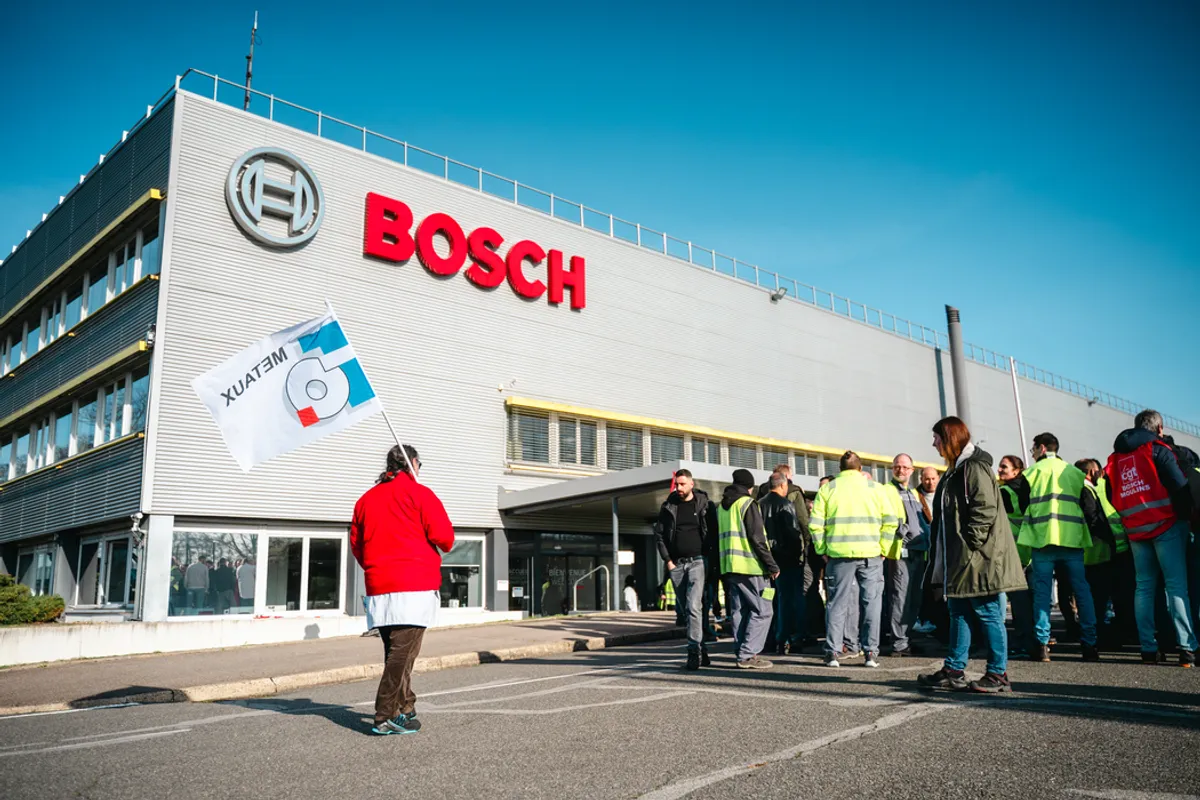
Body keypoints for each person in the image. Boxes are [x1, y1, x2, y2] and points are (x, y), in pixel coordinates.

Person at [350, 444, 455, 735]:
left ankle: (406, 707)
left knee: (397, 651)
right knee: (402, 655)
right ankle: (385, 714)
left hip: (379, 586)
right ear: (414, 464)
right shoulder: (421, 494)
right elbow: (445, 538)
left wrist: (375, 566)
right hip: (414, 585)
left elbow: (357, 546)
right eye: (421, 465)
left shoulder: (365, 500)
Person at [919, 417, 1027, 693]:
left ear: (949, 437)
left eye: (937, 438)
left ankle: (997, 674)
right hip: (962, 558)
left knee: (989, 613)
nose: (934, 443)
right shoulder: (957, 470)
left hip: (978, 557)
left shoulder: (973, 468)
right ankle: (954, 669)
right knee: (959, 612)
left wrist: (970, 543)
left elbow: (985, 509)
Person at [1105, 410, 1197, 667]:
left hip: (1135, 529)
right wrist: (1184, 516)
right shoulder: (1157, 449)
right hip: (1166, 524)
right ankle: (1187, 647)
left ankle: (1148, 647)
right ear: (1159, 428)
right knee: (1176, 586)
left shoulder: (1116, 457)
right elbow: (1180, 486)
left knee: (1143, 587)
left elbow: (1111, 493)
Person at [1017, 432, 1104, 663]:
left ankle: (1043, 645)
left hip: (1042, 540)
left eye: (1033, 449)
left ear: (1043, 449)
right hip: (1072, 541)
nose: (1033, 453)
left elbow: (1024, 504)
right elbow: (1088, 506)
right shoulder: (1075, 474)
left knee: (1042, 594)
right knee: (1082, 592)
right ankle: (1090, 645)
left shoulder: (1031, 473)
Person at [811, 451, 896, 668]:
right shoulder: (876, 489)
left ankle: (832, 652)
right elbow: (890, 522)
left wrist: (822, 549)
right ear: (860, 469)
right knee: (871, 604)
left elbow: (816, 524)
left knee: (836, 605)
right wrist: (884, 548)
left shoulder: (828, 489)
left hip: (838, 555)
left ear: (840, 470)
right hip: (871, 554)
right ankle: (870, 653)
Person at [718, 469, 780, 669]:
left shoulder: (722, 507)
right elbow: (757, 538)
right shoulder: (747, 503)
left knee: (739, 611)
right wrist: (771, 564)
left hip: (730, 565)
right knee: (763, 610)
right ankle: (748, 654)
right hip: (751, 565)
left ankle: (741, 651)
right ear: (750, 487)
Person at [654, 469, 716, 670]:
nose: (679, 488)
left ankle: (693, 651)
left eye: (682, 484)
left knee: (693, 606)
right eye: (677, 484)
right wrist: (668, 561)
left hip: (698, 562)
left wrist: (710, 560)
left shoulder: (705, 504)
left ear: (691, 484)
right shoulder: (668, 506)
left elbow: (713, 534)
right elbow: (660, 535)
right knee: (686, 610)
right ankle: (702, 648)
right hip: (677, 565)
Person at [882, 454, 928, 656]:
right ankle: (899, 643)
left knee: (913, 598)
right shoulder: (887, 491)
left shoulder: (913, 493)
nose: (900, 470)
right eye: (897, 467)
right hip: (901, 551)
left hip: (918, 550)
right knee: (900, 597)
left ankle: (905, 638)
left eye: (904, 467)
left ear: (911, 470)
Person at [760, 471, 807, 654]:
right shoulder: (786, 505)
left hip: (766, 560)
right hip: (786, 560)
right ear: (782, 485)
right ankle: (784, 638)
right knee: (787, 601)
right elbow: (792, 532)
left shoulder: (759, 504)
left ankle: (768, 639)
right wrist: (798, 554)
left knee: (768, 600)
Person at [997, 455, 1035, 657]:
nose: (1000, 470)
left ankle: (1020, 641)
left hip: (1012, 551)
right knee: (1029, 600)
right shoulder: (1029, 489)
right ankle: (1033, 639)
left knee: (1017, 600)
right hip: (1029, 548)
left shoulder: (1003, 491)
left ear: (1016, 471)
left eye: (1004, 467)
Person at [913, 467, 941, 635]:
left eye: (933, 479)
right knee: (923, 587)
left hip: (941, 546)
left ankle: (936, 619)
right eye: (926, 479)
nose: (930, 482)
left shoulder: (944, 494)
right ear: (921, 479)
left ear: (938, 478)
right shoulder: (915, 496)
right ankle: (925, 619)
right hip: (924, 548)